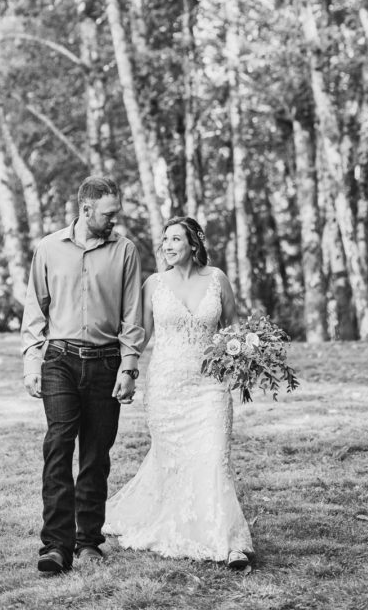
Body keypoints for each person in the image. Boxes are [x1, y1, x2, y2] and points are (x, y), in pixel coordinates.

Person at [104, 215, 253, 570]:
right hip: (167, 387)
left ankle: (229, 542)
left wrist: (248, 354)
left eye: (175, 239)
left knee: (214, 457)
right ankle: (177, 523)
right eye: (165, 239)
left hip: (210, 386)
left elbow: (233, 328)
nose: (168, 246)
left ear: (193, 244)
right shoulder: (154, 284)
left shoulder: (217, 279)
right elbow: (140, 335)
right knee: (172, 461)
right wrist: (126, 371)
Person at [21, 176, 145, 576]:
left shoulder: (125, 251)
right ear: (86, 209)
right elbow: (35, 310)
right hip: (60, 359)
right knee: (58, 446)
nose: (114, 220)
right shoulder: (48, 248)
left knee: (95, 454)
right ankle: (56, 546)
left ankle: (88, 541)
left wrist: (128, 366)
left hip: (106, 362)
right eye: (108, 214)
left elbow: (132, 315)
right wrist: (32, 362)